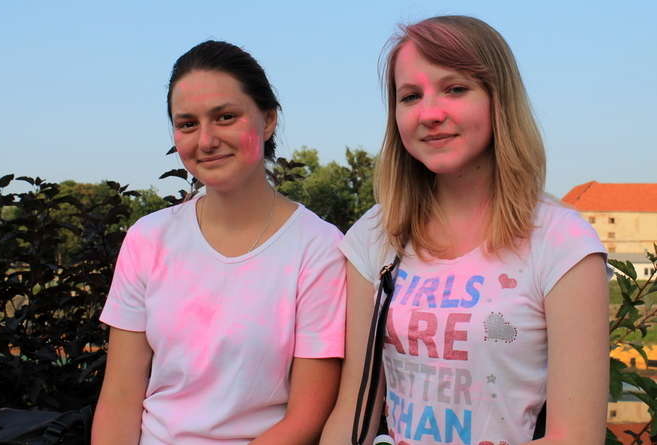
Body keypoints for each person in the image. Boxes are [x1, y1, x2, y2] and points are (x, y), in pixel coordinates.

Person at [320, 15, 609, 445]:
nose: (430, 113)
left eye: (455, 89)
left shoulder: (563, 244)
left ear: (499, 99)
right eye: (410, 96)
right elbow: (353, 414)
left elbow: (577, 437)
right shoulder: (376, 236)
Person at [92, 40, 346, 445]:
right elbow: (120, 397)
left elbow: (306, 418)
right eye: (187, 124)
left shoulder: (319, 248)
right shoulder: (148, 238)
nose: (206, 140)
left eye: (225, 117)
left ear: (268, 120)